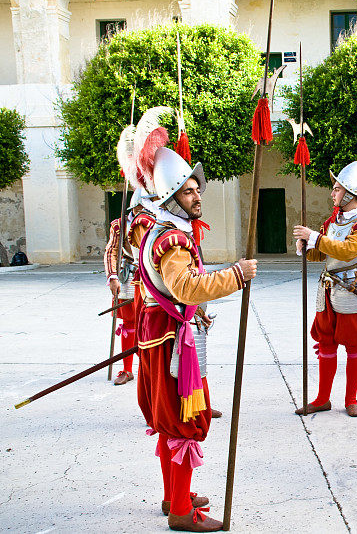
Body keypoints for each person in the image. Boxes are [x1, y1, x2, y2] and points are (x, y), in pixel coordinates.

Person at [138, 141, 256, 531]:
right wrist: (236, 275)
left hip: (164, 335)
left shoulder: (164, 229)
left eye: (195, 188)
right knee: (183, 422)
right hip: (173, 342)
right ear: (172, 198)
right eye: (187, 191)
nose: (196, 195)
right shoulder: (172, 239)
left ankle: (175, 495)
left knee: (170, 422)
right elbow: (185, 287)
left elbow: (177, 291)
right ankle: (181, 514)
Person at [293, 158, 357, 418]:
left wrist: (315, 238)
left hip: (354, 287)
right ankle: (322, 398)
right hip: (328, 288)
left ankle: (351, 398)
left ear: (350, 194)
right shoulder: (331, 222)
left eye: (337, 189)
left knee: (354, 345)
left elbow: (346, 251)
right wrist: (307, 247)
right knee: (326, 343)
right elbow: (323, 256)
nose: (332, 193)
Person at [103, 194, 139, 385]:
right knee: (130, 324)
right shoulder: (120, 225)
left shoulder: (158, 220)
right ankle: (127, 369)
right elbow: (111, 251)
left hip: (151, 277)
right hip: (129, 275)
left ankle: (153, 369)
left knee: (154, 323)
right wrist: (113, 277)